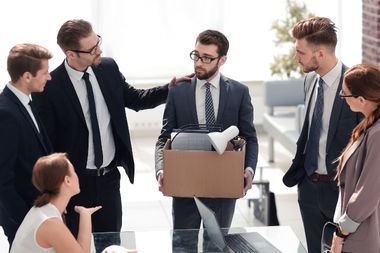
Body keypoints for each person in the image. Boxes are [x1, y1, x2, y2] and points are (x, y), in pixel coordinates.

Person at [31, 18, 175, 246]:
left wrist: (170, 89)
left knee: (111, 245)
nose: (99, 50)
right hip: (74, 185)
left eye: (98, 42)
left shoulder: (107, 68)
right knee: (76, 246)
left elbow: (135, 99)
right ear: (71, 54)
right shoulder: (50, 86)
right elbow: (47, 143)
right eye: (92, 49)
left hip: (109, 179)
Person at [155, 29, 258, 252]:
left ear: (222, 60)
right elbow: (164, 137)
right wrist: (161, 170)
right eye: (196, 55)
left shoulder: (240, 92)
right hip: (185, 185)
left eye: (207, 58)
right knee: (183, 246)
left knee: (217, 247)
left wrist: (248, 169)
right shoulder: (178, 91)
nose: (199, 63)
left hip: (223, 184)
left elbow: (249, 137)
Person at [282, 17, 362, 253]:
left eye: (300, 52)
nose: (296, 58)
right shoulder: (309, 80)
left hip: (341, 191)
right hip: (309, 188)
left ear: (320, 54)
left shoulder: (355, 86)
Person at [0, 43, 53, 248]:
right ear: (27, 76)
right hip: (24, 220)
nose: (49, 77)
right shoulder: (6, 113)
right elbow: (3, 179)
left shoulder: (26, 102)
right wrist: (25, 221)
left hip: (39, 214)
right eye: (45, 72)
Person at [329, 64, 380, 253]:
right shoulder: (369, 127)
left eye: (344, 94)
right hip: (358, 231)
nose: (342, 99)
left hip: (363, 236)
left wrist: (341, 235)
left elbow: (368, 191)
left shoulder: (377, 133)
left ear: (361, 99)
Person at [11, 153, 101, 253]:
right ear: (67, 181)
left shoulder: (42, 209)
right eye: (74, 172)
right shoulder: (50, 223)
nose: (77, 175)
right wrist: (85, 215)